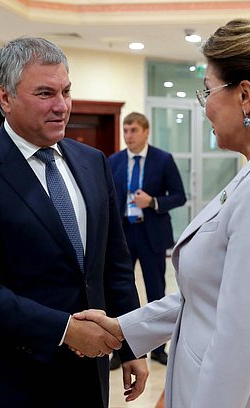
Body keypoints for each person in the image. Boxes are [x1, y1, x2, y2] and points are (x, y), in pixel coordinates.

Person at [75, 18, 250, 408]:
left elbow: (239, 341)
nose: (205, 107)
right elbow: (209, 296)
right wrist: (125, 328)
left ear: (245, 96)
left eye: (208, 91)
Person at [0, 36, 148, 408]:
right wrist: (65, 330)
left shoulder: (92, 161)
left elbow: (113, 263)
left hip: (86, 375)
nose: (62, 106)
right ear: (5, 98)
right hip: (7, 377)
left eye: (66, 91)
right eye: (45, 93)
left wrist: (131, 343)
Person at [107, 112, 185, 368]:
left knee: (155, 292)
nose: (128, 135)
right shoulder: (113, 162)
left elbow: (179, 196)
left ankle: (157, 348)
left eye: (133, 130)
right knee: (120, 292)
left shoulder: (163, 160)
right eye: (125, 130)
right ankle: (119, 351)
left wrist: (152, 202)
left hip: (151, 233)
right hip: (123, 234)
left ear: (146, 131)